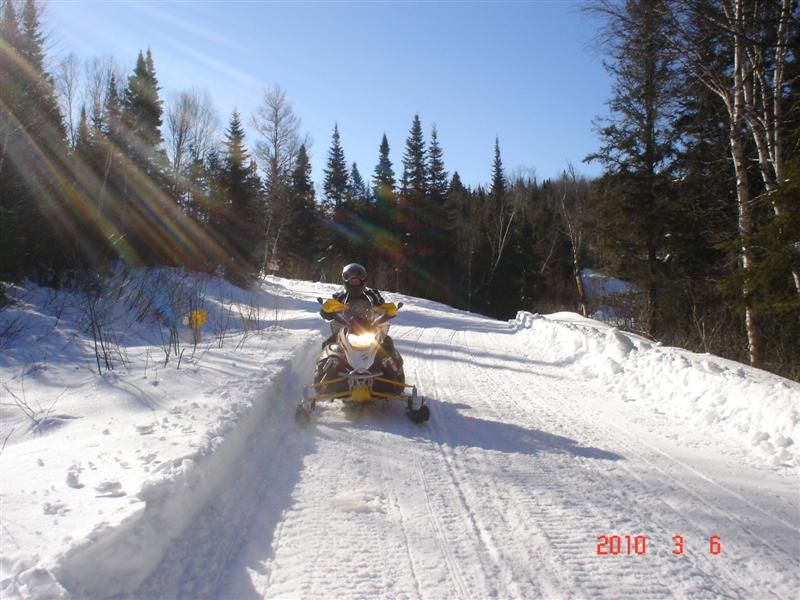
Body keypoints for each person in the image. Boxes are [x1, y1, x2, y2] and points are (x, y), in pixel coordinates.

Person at [318, 263, 404, 386]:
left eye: (357, 281)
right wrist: (326, 310)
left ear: (363, 280)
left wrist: (390, 310)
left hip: (369, 327)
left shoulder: (372, 295)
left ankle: (397, 377)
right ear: (345, 281)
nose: (355, 284)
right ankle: (323, 380)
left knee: (388, 345)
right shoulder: (340, 296)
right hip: (346, 328)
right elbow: (329, 307)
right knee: (328, 345)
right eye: (352, 281)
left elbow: (381, 306)